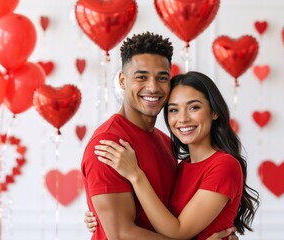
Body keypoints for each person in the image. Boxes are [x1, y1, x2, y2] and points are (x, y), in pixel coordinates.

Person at [81, 32, 237, 240]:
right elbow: (120, 234)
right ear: (123, 80)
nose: (153, 87)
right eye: (141, 77)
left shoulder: (165, 142)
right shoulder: (109, 144)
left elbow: (173, 218)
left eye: (162, 77)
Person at [92, 71, 260, 239]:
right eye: (174, 110)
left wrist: (136, 175)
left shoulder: (224, 165)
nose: (183, 118)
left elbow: (178, 232)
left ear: (214, 112)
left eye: (194, 107)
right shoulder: (180, 166)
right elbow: (157, 217)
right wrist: (101, 215)